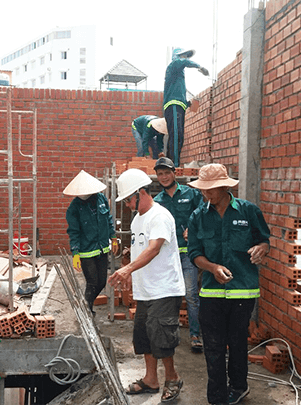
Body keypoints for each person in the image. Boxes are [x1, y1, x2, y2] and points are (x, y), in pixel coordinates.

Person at [186, 164, 270, 405]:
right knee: (213, 347)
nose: (206, 194)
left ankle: (239, 387)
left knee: (237, 343)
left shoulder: (249, 211)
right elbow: (194, 254)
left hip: (243, 291)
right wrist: (212, 268)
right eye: (203, 190)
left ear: (224, 187)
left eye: (211, 189)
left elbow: (264, 240)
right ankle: (217, 397)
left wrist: (261, 249)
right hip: (211, 292)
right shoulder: (198, 217)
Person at [108, 168, 186, 403]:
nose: (127, 205)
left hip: (164, 288)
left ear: (141, 192)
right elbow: (139, 250)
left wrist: (127, 270)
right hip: (146, 289)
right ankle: (151, 379)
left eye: (129, 200)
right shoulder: (137, 219)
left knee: (162, 336)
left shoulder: (159, 216)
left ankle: (172, 378)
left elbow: (153, 249)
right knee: (144, 336)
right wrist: (131, 274)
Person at [153, 157, 205, 353]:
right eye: (160, 174)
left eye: (167, 173)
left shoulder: (191, 194)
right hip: (167, 256)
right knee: (169, 295)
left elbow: (203, 214)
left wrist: (193, 229)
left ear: (174, 173)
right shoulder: (157, 202)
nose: (164, 177)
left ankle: (195, 335)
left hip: (187, 254)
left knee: (191, 294)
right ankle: (169, 333)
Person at [64, 170, 119, 316]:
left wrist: (113, 237)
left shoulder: (101, 199)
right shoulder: (74, 208)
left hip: (102, 248)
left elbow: (108, 219)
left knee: (102, 282)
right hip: (86, 251)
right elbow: (73, 232)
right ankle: (86, 311)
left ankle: (85, 305)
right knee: (92, 282)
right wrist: (75, 253)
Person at [163, 47, 209, 167]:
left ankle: (170, 163)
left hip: (178, 106)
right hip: (173, 105)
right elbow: (181, 62)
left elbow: (180, 96)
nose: (185, 58)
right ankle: (174, 164)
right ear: (177, 56)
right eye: (183, 56)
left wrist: (189, 103)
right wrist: (199, 67)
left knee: (178, 136)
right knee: (176, 135)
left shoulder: (179, 78)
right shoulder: (173, 66)